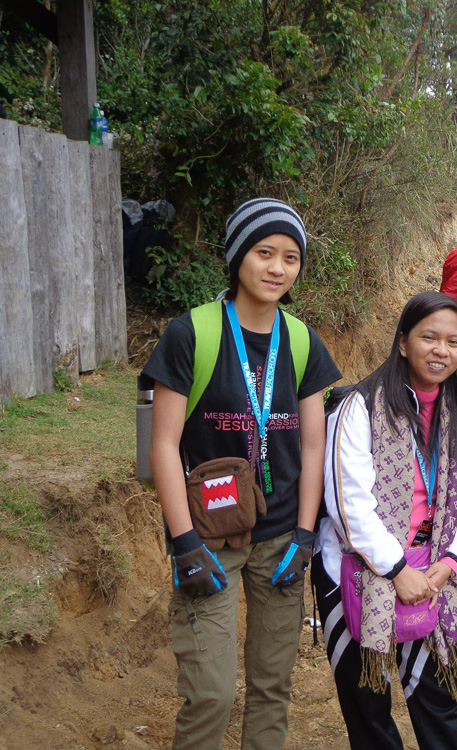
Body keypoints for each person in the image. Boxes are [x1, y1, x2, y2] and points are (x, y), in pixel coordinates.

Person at [144, 198, 340, 749]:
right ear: (237, 257)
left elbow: (311, 442)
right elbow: (164, 444)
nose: (278, 268)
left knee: (272, 687)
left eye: (291, 257)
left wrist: (304, 533)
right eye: (264, 253)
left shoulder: (301, 341)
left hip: (280, 540)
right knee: (211, 694)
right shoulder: (192, 334)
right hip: (209, 539)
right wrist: (183, 542)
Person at [312, 291, 457, 749]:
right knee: (369, 711)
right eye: (429, 337)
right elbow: (348, 505)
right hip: (356, 573)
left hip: (431, 572)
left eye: (453, 341)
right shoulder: (359, 407)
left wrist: (451, 560)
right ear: (403, 342)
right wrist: (395, 570)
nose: (441, 350)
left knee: (448, 700)